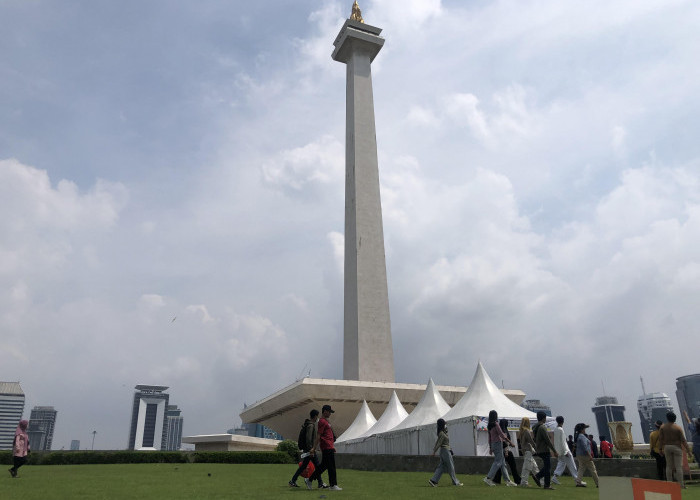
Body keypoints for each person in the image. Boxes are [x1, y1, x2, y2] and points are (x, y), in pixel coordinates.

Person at [309, 405, 341, 490]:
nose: (330, 413)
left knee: (324, 466)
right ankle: (333, 485)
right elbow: (318, 435)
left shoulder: (326, 421)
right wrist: (314, 448)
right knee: (331, 467)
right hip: (326, 446)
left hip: (329, 446)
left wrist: (332, 446)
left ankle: (310, 479)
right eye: (329, 412)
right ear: (325, 411)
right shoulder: (322, 422)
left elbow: (328, 435)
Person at [483, 410, 516, 486]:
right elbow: (502, 435)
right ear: (495, 416)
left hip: (494, 444)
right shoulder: (495, 424)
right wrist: (510, 442)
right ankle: (488, 478)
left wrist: (490, 447)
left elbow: (489, 438)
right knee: (498, 462)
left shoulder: (489, 425)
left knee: (502, 463)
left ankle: (507, 480)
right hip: (498, 444)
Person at [289, 409, 321, 489]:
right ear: (315, 416)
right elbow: (308, 438)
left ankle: (293, 480)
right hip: (310, 450)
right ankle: (320, 483)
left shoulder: (307, 424)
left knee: (304, 466)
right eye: (317, 416)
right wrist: (311, 449)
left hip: (308, 449)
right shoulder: (311, 425)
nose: (318, 418)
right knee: (317, 466)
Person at [659, 411, 691, 489]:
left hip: (667, 447)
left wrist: (660, 449)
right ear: (675, 419)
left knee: (669, 466)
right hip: (677, 447)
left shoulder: (663, 427)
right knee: (678, 467)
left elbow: (660, 439)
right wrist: (688, 451)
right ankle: (681, 485)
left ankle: (669, 484)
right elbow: (683, 440)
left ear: (667, 418)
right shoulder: (678, 428)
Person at [428, 418, 463, 487]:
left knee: (442, 467)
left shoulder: (442, 432)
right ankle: (455, 482)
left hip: (445, 450)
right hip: (445, 451)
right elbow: (439, 443)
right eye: (444, 423)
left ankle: (433, 480)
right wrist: (434, 451)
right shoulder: (442, 433)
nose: (445, 425)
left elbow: (441, 441)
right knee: (451, 467)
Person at [551, 415, 584, 486]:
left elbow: (557, 442)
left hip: (559, 451)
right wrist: (565, 451)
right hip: (565, 451)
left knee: (561, 464)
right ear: (563, 421)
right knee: (572, 466)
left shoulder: (555, 429)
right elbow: (563, 442)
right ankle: (578, 481)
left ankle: (554, 477)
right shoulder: (561, 430)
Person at [533, 410, 558, 490]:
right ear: (543, 418)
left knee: (547, 467)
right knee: (548, 468)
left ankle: (538, 477)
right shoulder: (542, 427)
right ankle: (546, 484)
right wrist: (554, 451)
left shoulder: (535, 427)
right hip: (544, 450)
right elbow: (547, 440)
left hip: (539, 449)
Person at [493, 418, 521, 485]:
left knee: (500, 466)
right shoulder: (505, 431)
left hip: (501, 451)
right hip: (506, 451)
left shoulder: (500, 431)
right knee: (513, 466)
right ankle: (517, 480)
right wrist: (506, 451)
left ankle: (497, 479)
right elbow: (505, 443)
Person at [574, 423, 599, 488]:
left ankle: (578, 482)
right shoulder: (582, 436)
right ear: (582, 429)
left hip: (579, 455)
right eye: (584, 428)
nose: (585, 429)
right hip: (585, 455)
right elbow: (585, 447)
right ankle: (598, 483)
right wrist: (589, 455)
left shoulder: (578, 436)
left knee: (581, 468)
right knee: (593, 469)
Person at [518, 417, 540, 487]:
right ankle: (524, 483)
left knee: (535, 467)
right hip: (528, 451)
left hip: (525, 451)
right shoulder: (526, 431)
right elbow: (531, 441)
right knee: (526, 468)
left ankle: (542, 481)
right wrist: (537, 447)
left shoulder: (521, 431)